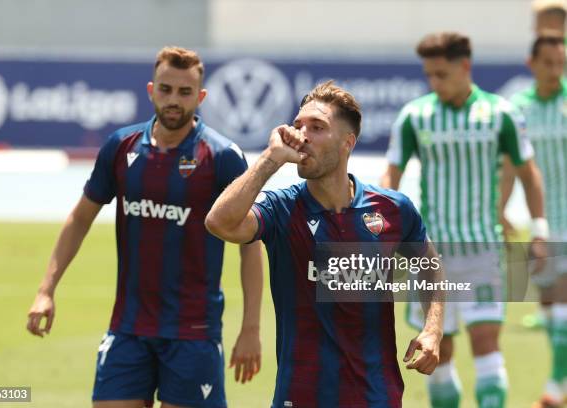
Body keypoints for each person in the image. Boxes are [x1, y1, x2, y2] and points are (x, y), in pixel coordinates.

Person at [26, 46, 264, 408]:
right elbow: (80, 217)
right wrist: (46, 290)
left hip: (193, 334)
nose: (174, 100)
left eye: (185, 93)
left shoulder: (222, 157)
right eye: (166, 90)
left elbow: (250, 245)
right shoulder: (120, 147)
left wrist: (250, 329)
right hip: (127, 330)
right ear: (151, 90)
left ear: (200, 97)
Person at [205, 80, 444, 407]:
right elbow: (219, 223)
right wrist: (270, 159)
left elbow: (429, 265)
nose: (302, 136)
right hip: (301, 396)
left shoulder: (392, 209)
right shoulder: (282, 208)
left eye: (317, 127)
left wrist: (433, 329)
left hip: (376, 396)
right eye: (298, 125)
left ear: (347, 142)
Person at [382, 32, 547, 408]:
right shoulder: (415, 115)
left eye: (441, 74)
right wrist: (384, 228)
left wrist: (539, 229)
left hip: (482, 250)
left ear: (465, 67)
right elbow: (391, 175)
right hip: (429, 253)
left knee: (486, 343)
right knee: (437, 351)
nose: (434, 83)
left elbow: (528, 172)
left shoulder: (500, 113)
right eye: (430, 76)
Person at [500, 33, 567, 408]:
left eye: (562, 63)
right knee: (548, 301)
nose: (556, 71)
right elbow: (511, 164)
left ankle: (556, 386)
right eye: (549, 63)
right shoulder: (518, 108)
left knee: (561, 299)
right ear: (532, 64)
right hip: (540, 219)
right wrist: (501, 207)